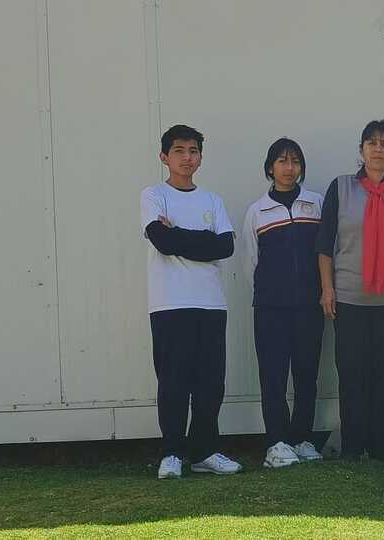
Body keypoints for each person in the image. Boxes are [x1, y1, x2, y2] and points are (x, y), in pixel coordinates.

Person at [140, 124, 243, 479]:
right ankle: (172, 452)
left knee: (210, 383)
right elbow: (161, 240)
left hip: (210, 304)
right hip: (169, 304)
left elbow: (225, 246)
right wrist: (199, 241)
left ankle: (204, 452)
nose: (187, 158)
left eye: (193, 151)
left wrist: (178, 234)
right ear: (164, 157)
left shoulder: (212, 200)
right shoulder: (154, 195)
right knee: (173, 382)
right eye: (179, 151)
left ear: (201, 157)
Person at [315, 119, 384, 461]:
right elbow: (325, 244)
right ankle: (352, 445)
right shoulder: (341, 188)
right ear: (361, 150)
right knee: (351, 371)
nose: (378, 149)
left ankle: (383, 445)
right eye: (371, 142)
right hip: (349, 295)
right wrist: (327, 288)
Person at [241, 138, 325, 468]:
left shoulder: (316, 204)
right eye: (282, 161)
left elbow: (326, 252)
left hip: (310, 306)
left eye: (295, 161)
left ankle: (302, 438)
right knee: (273, 375)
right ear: (270, 167)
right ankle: (277, 442)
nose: (289, 168)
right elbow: (250, 263)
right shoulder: (257, 211)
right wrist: (269, 294)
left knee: (307, 373)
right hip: (271, 308)